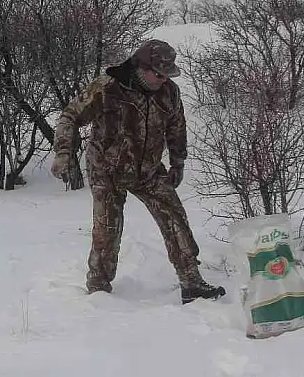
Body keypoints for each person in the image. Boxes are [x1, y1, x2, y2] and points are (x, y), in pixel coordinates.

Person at [50, 39, 226, 303]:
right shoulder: (107, 88)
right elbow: (70, 116)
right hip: (107, 170)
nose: (162, 79)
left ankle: (192, 282)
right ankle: (98, 288)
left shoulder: (170, 93)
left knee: (175, 218)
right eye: (158, 74)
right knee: (107, 229)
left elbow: (177, 128)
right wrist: (63, 153)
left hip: (149, 170)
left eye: (167, 75)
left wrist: (178, 163)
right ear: (140, 67)